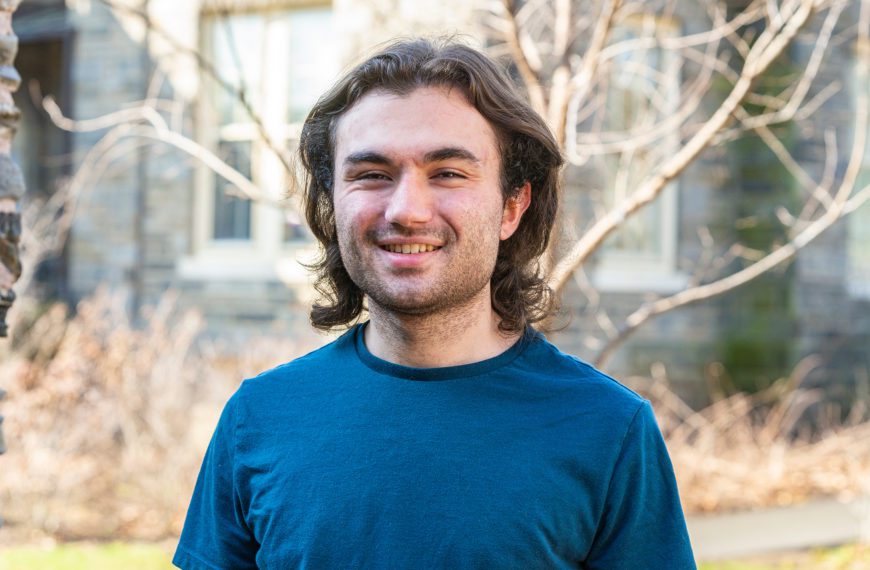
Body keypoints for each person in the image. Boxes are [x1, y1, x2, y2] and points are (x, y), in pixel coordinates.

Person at [173, 37, 696, 569]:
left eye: (447, 172)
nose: (406, 211)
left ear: (512, 206)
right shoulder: (259, 418)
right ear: (333, 203)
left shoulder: (608, 430)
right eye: (372, 174)